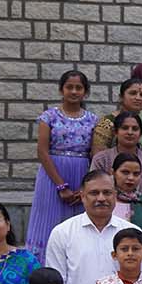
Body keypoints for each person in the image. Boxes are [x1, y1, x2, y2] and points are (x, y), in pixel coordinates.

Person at [28, 70, 99, 257]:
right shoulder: (48, 117)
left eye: (79, 88)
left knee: (77, 224)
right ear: (61, 90)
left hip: (81, 175)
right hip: (52, 176)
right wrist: (61, 185)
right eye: (69, 87)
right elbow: (42, 152)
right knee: (47, 222)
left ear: (85, 92)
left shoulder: (93, 120)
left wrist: (85, 187)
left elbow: (94, 153)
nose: (74, 92)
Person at [90, 111, 142, 208]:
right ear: (115, 132)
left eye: (135, 129)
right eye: (125, 128)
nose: (130, 132)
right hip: (109, 212)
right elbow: (94, 188)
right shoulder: (101, 159)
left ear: (140, 134)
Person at [91, 77, 142, 155]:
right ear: (121, 97)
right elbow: (98, 154)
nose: (138, 98)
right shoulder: (107, 122)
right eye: (133, 93)